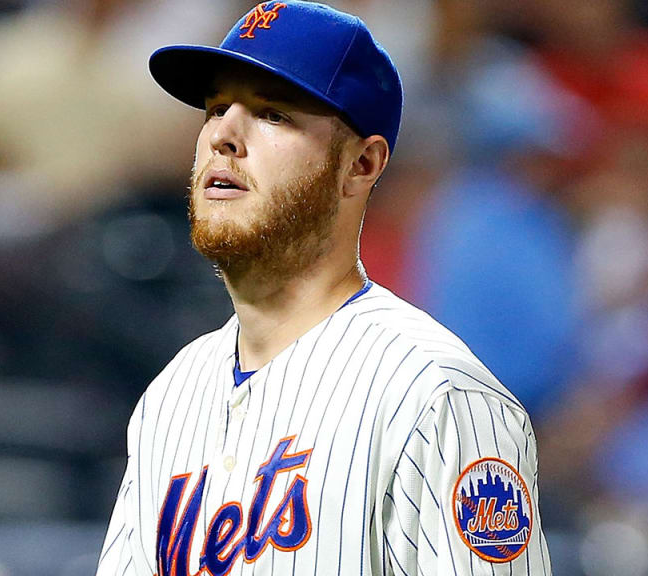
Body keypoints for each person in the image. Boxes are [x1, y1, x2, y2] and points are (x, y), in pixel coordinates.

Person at [95, 3, 551, 575]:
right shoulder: (172, 396)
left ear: (361, 165)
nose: (224, 136)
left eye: (272, 114)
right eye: (215, 109)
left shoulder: (434, 395)